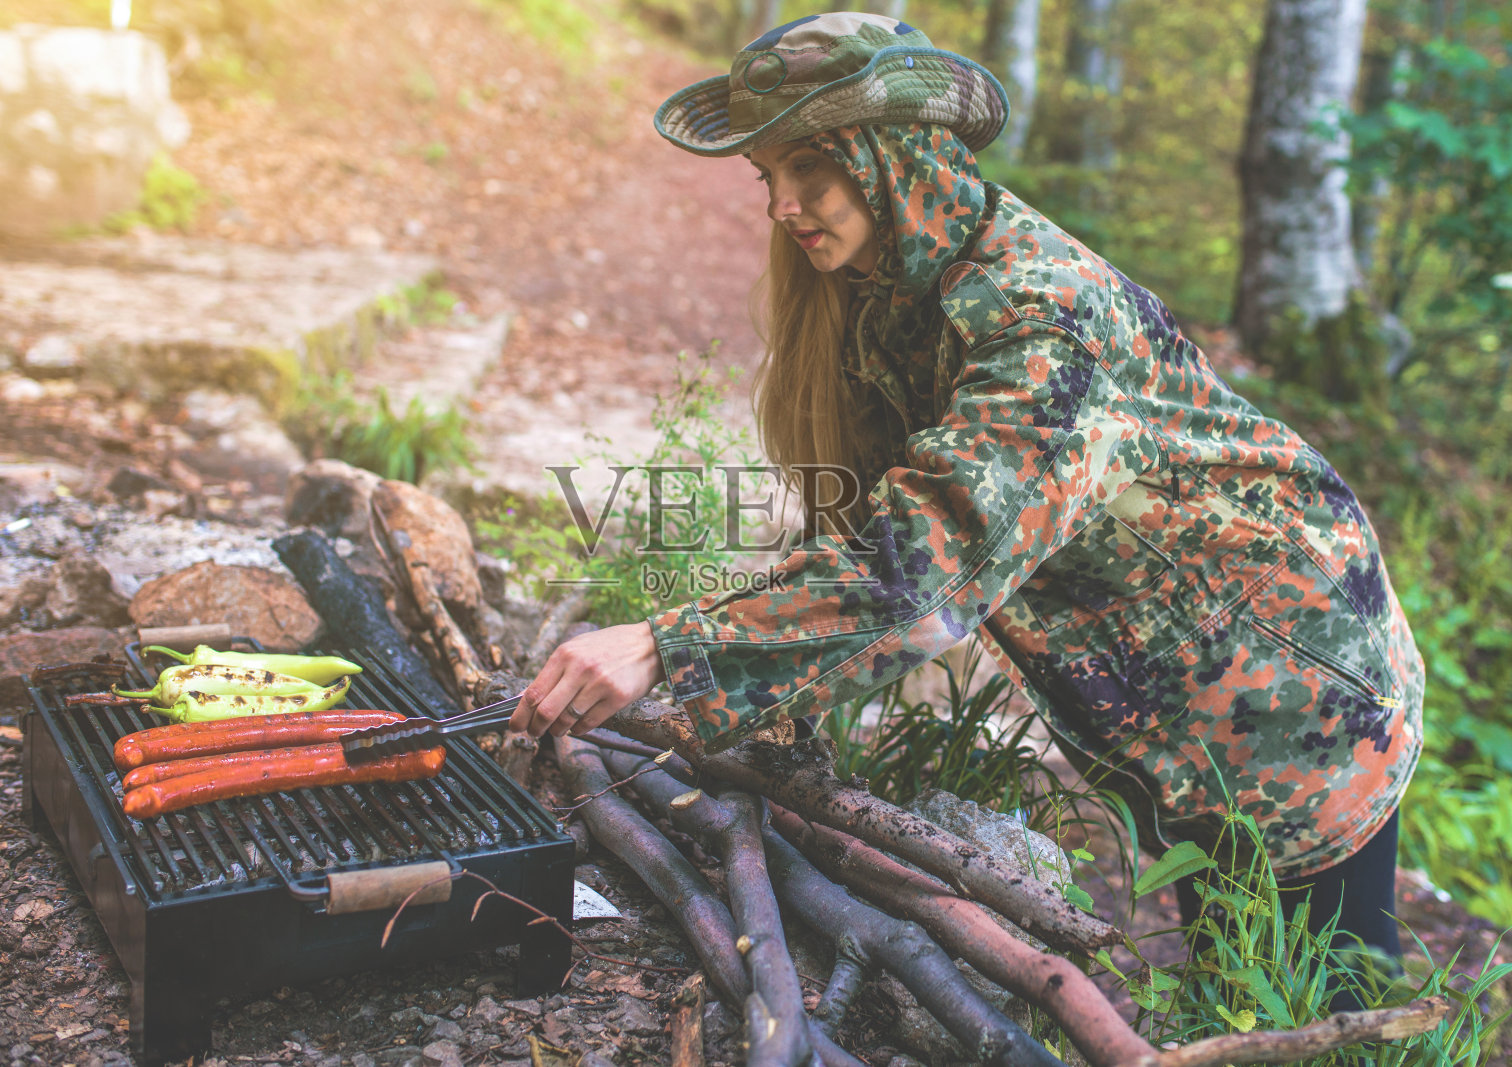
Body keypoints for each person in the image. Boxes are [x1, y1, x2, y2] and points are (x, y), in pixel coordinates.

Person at [508, 12, 1422, 965]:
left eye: (809, 168)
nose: (783, 204)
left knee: (1326, 996)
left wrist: (671, 645)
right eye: (767, 176)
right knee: (1236, 961)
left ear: (890, 157)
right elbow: (875, 522)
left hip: (1295, 688)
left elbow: (928, 558)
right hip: (1169, 698)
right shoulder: (897, 287)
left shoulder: (1043, 321)